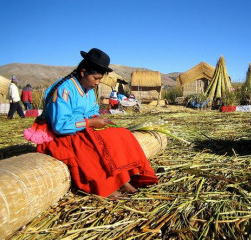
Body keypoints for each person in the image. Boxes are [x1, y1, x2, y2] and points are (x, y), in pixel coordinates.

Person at [34, 48, 158, 200]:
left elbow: (93, 110)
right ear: (83, 72)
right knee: (91, 144)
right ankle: (106, 186)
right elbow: (60, 126)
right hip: (61, 135)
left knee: (121, 134)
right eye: (96, 78)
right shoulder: (65, 89)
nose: (97, 83)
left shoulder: (89, 89)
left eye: (100, 79)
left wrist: (98, 120)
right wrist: (91, 122)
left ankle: (123, 179)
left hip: (83, 128)